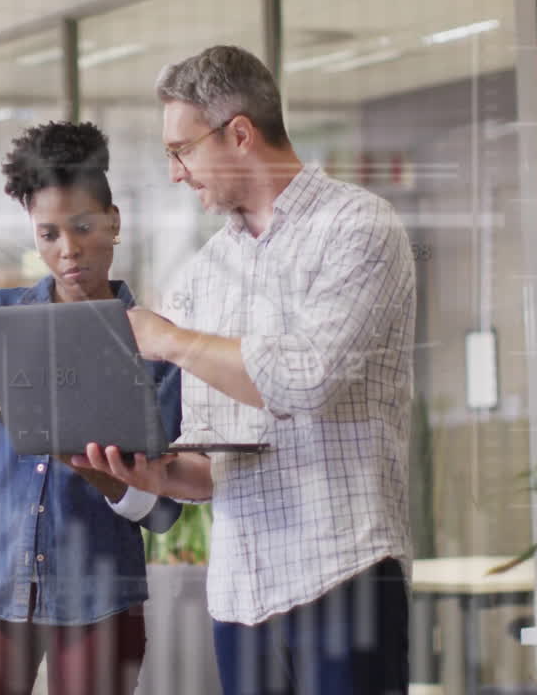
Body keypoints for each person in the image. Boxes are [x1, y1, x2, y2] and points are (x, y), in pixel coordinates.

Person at [71, 45, 417, 695]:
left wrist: (170, 341)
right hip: (240, 593)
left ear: (239, 133)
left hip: (342, 571)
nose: (176, 173)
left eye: (182, 150)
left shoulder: (358, 228)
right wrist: (160, 474)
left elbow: (305, 379)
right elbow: (214, 464)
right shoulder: (205, 274)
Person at [0, 120, 184, 695]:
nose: (67, 250)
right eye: (48, 234)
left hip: (99, 599)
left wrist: (103, 476)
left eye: (83, 227)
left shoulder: (154, 343)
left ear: (114, 222)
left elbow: (165, 512)